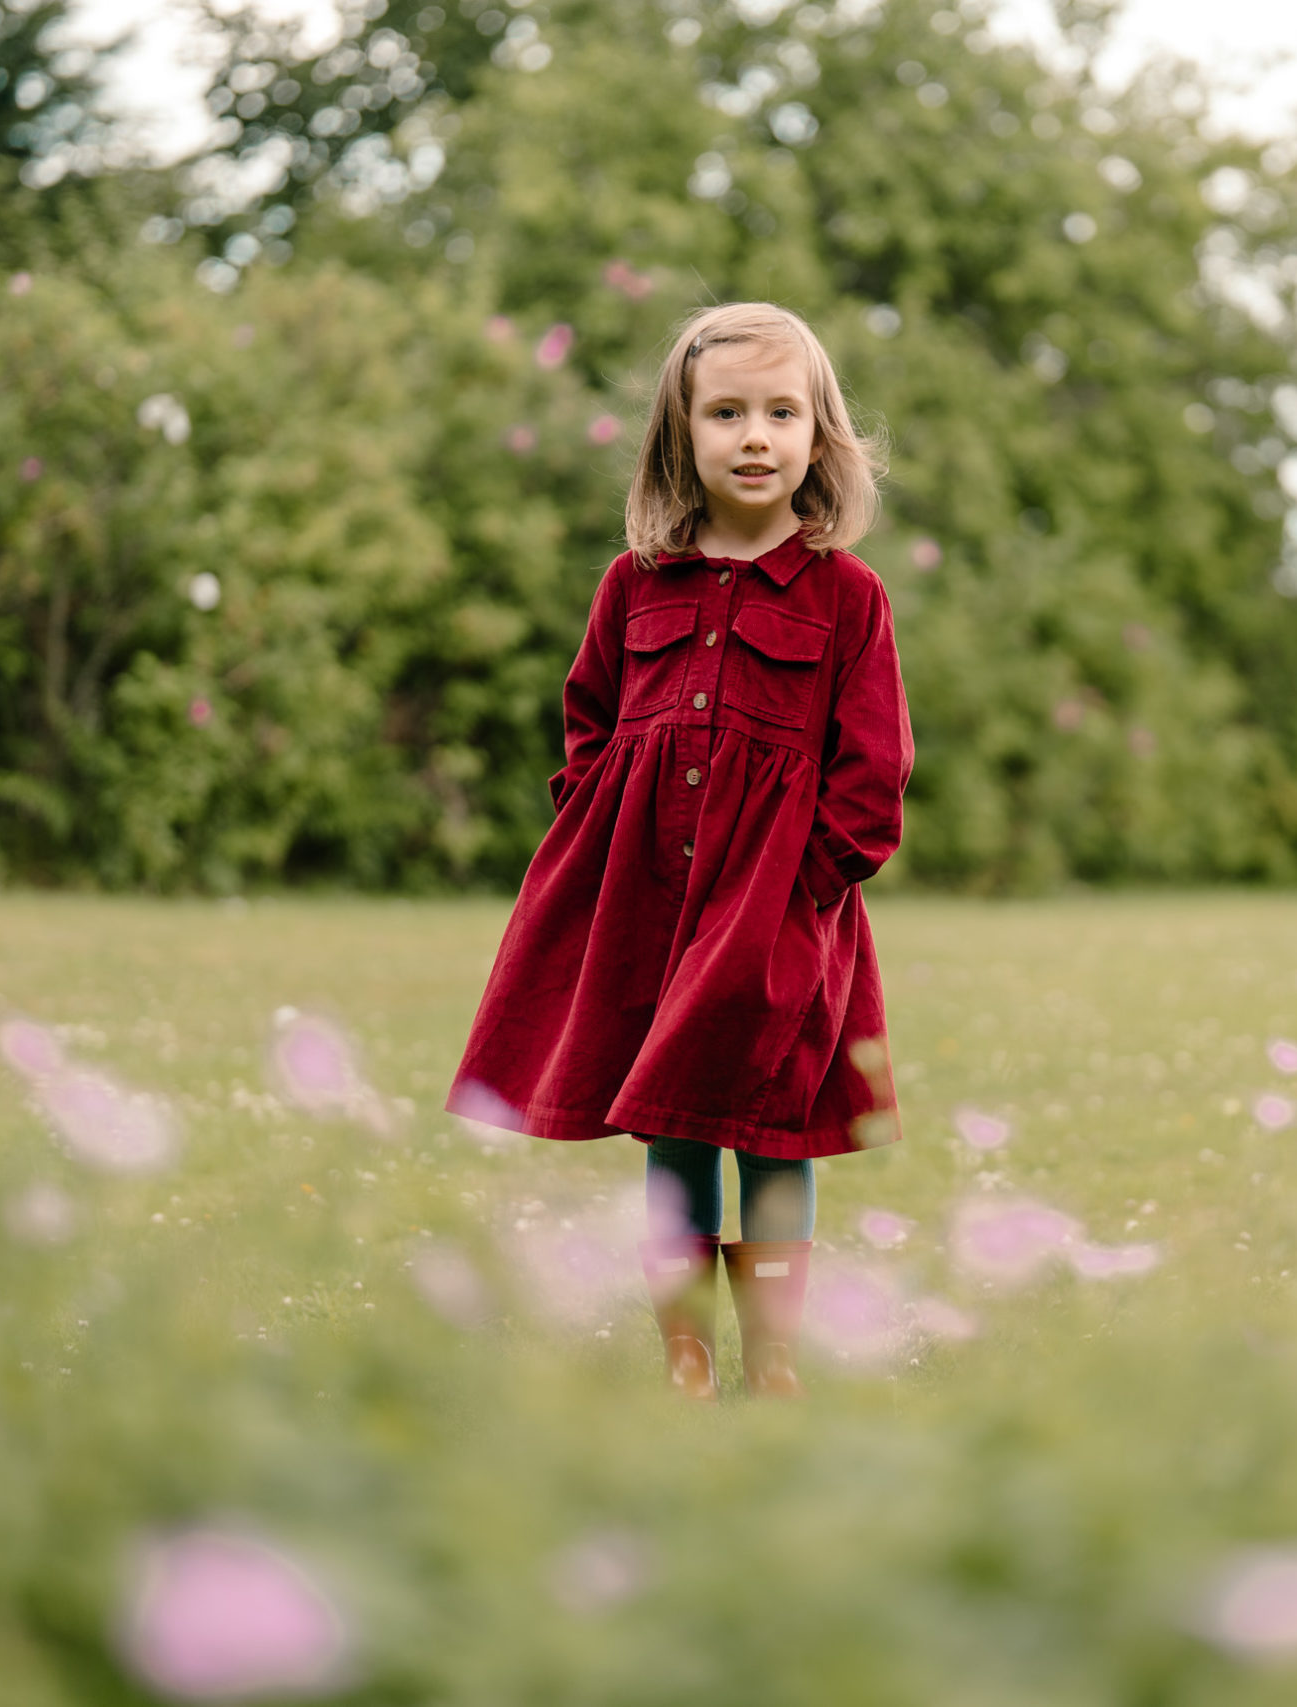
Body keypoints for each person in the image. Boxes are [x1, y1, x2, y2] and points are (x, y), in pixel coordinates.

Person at [448, 302, 914, 1400]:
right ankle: (686, 1354)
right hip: (649, 911)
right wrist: (605, 834)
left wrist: (808, 888)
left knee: (772, 1129)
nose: (755, 437)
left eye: (781, 413)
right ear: (681, 435)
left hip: (777, 921)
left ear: (818, 436)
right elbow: (589, 721)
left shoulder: (847, 597)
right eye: (726, 413)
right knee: (669, 1127)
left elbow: (873, 770)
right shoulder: (634, 583)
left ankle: (778, 1357)